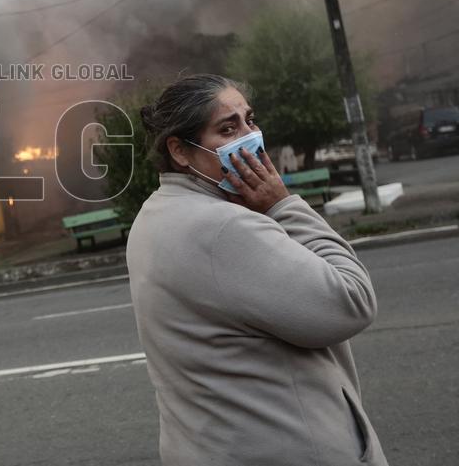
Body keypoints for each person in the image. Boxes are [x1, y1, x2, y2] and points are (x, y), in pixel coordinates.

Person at [126, 73, 388, 465]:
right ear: (180, 150)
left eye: (250, 120)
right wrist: (283, 206)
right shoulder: (224, 226)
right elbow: (351, 302)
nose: (249, 136)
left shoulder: (155, 214)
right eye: (227, 129)